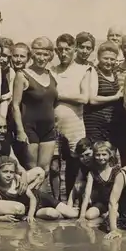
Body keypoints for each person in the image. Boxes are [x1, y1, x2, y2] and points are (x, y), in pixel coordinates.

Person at [12, 36, 58, 190]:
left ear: (50, 56)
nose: (42, 58)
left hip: (48, 128)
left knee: (45, 170)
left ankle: (42, 205)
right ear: (32, 54)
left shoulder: (51, 75)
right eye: (38, 54)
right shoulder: (22, 75)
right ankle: (30, 204)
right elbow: (15, 105)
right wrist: (20, 130)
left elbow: (53, 102)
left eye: (45, 54)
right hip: (29, 127)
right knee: (32, 169)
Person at [50, 33, 90, 201]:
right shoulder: (51, 70)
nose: (63, 53)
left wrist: (58, 95)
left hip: (75, 124)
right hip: (53, 124)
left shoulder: (83, 70)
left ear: (74, 49)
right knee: (54, 166)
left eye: (67, 49)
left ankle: (73, 202)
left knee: (76, 165)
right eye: (60, 49)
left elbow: (84, 98)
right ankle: (56, 202)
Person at [0, 156, 78, 222]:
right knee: (53, 214)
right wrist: (1, 219)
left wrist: (30, 216)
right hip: (32, 210)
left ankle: (81, 209)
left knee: (73, 214)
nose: (9, 175)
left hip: (39, 198)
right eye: (5, 172)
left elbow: (32, 198)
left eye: (11, 172)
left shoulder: (17, 180)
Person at [84, 41, 126, 164]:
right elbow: (92, 99)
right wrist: (115, 97)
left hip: (111, 125)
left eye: (112, 59)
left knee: (111, 158)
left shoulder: (114, 72)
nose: (109, 62)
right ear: (98, 57)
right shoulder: (94, 71)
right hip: (95, 124)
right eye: (106, 58)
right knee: (97, 158)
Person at [79, 141, 121, 221]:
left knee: (115, 216)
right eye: (98, 155)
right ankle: (104, 214)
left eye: (104, 154)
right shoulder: (92, 173)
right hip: (101, 203)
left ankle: (106, 215)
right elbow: (87, 195)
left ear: (110, 155)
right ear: (94, 156)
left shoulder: (116, 171)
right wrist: (82, 216)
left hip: (116, 203)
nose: (101, 157)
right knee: (89, 215)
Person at [67, 137, 94, 208]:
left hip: (102, 193)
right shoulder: (83, 167)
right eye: (81, 156)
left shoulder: (98, 163)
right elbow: (75, 188)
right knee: (79, 185)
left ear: (93, 151)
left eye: (88, 154)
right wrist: (69, 206)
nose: (85, 158)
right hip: (89, 193)